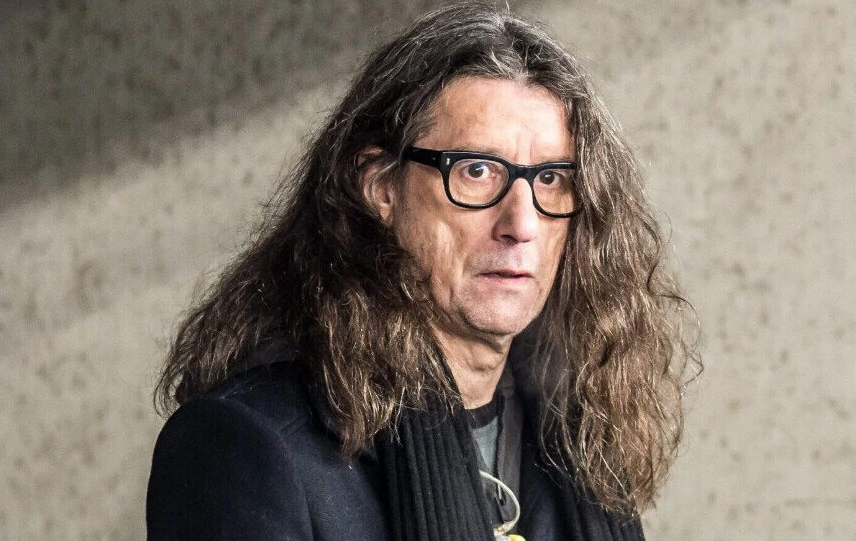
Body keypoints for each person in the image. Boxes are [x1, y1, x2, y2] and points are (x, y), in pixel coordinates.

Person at [146, 3, 700, 540]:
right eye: (477, 171)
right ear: (381, 187)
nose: (522, 224)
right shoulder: (247, 446)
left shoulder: (582, 440)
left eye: (551, 179)